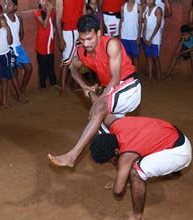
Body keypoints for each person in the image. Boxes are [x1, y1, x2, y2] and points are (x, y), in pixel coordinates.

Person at [48, 15, 141, 168]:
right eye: (83, 39)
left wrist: (98, 103)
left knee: (98, 108)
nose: (86, 43)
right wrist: (84, 86)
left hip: (129, 87)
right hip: (113, 93)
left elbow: (116, 78)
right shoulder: (82, 52)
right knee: (108, 138)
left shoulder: (111, 44)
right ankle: (125, 175)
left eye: (90, 38)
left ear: (98, 33)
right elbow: (73, 69)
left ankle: (72, 155)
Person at [89, 115, 192, 220]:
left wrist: (120, 182)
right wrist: (121, 177)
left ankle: (137, 218)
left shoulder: (126, 155)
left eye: (111, 160)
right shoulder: (115, 124)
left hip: (181, 153)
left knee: (136, 172)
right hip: (174, 135)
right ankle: (175, 172)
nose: (112, 162)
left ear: (117, 151)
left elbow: (118, 192)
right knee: (142, 146)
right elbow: (104, 115)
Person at [4, 0, 33, 102]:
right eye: (5, 3)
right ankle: (19, 95)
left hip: (18, 47)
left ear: (15, 7)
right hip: (8, 48)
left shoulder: (19, 19)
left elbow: (21, 34)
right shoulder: (3, 18)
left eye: (9, 4)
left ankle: (22, 90)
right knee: (13, 72)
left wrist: (16, 43)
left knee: (29, 68)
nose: (6, 6)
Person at [55, 0, 85, 97]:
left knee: (78, 58)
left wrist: (85, 32)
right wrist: (61, 39)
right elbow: (58, 20)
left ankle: (75, 83)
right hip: (68, 31)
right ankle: (63, 88)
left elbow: (84, 16)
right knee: (66, 61)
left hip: (80, 30)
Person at [35, 0, 58, 91]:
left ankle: (53, 83)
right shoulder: (37, 12)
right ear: (39, 2)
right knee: (42, 66)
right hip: (42, 43)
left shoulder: (51, 12)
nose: (44, 2)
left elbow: (53, 23)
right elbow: (44, 25)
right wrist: (48, 13)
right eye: (42, 0)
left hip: (50, 42)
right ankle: (42, 85)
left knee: (51, 64)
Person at [142, 0, 163, 81]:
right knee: (149, 56)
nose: (148, 1)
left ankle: (159, 77)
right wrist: (144, 36)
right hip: (147, 37)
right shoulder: (147, 10)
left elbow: (158, 25)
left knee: (156, 57)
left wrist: (151, 38)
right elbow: (145, 25)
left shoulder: (158, 9)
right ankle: (150, 76)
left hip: (155, 38)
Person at [120, 0, 142, 68]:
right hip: (124, 35)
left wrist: (138, 36)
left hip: (134, 36)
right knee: (126, 56)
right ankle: (129, 73)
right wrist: (120, 34)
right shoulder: (123, 7)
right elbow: (121, 21)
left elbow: (140, 23)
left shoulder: (138, 7)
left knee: (135, 56)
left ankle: (136, 74)